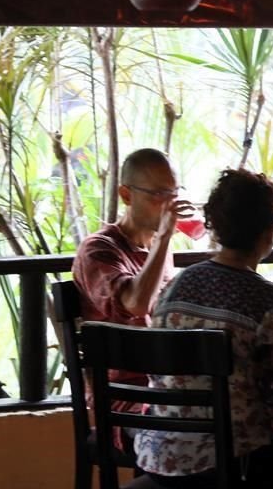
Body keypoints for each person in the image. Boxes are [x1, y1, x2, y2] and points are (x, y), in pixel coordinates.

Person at [135, 169, 273, 489]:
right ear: (270, 232)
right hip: (230, 467)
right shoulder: (272, 303)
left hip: (158, 459)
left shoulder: (175, 288)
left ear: (215, 227)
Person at [72, 148, 192, 412]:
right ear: (126, 195)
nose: (169, 204)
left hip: (164, 385)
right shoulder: (98, 250)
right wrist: (163, 238)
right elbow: (135, 304)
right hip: (125, 398)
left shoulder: (157, 250)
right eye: (159, 194)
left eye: (174, 193)